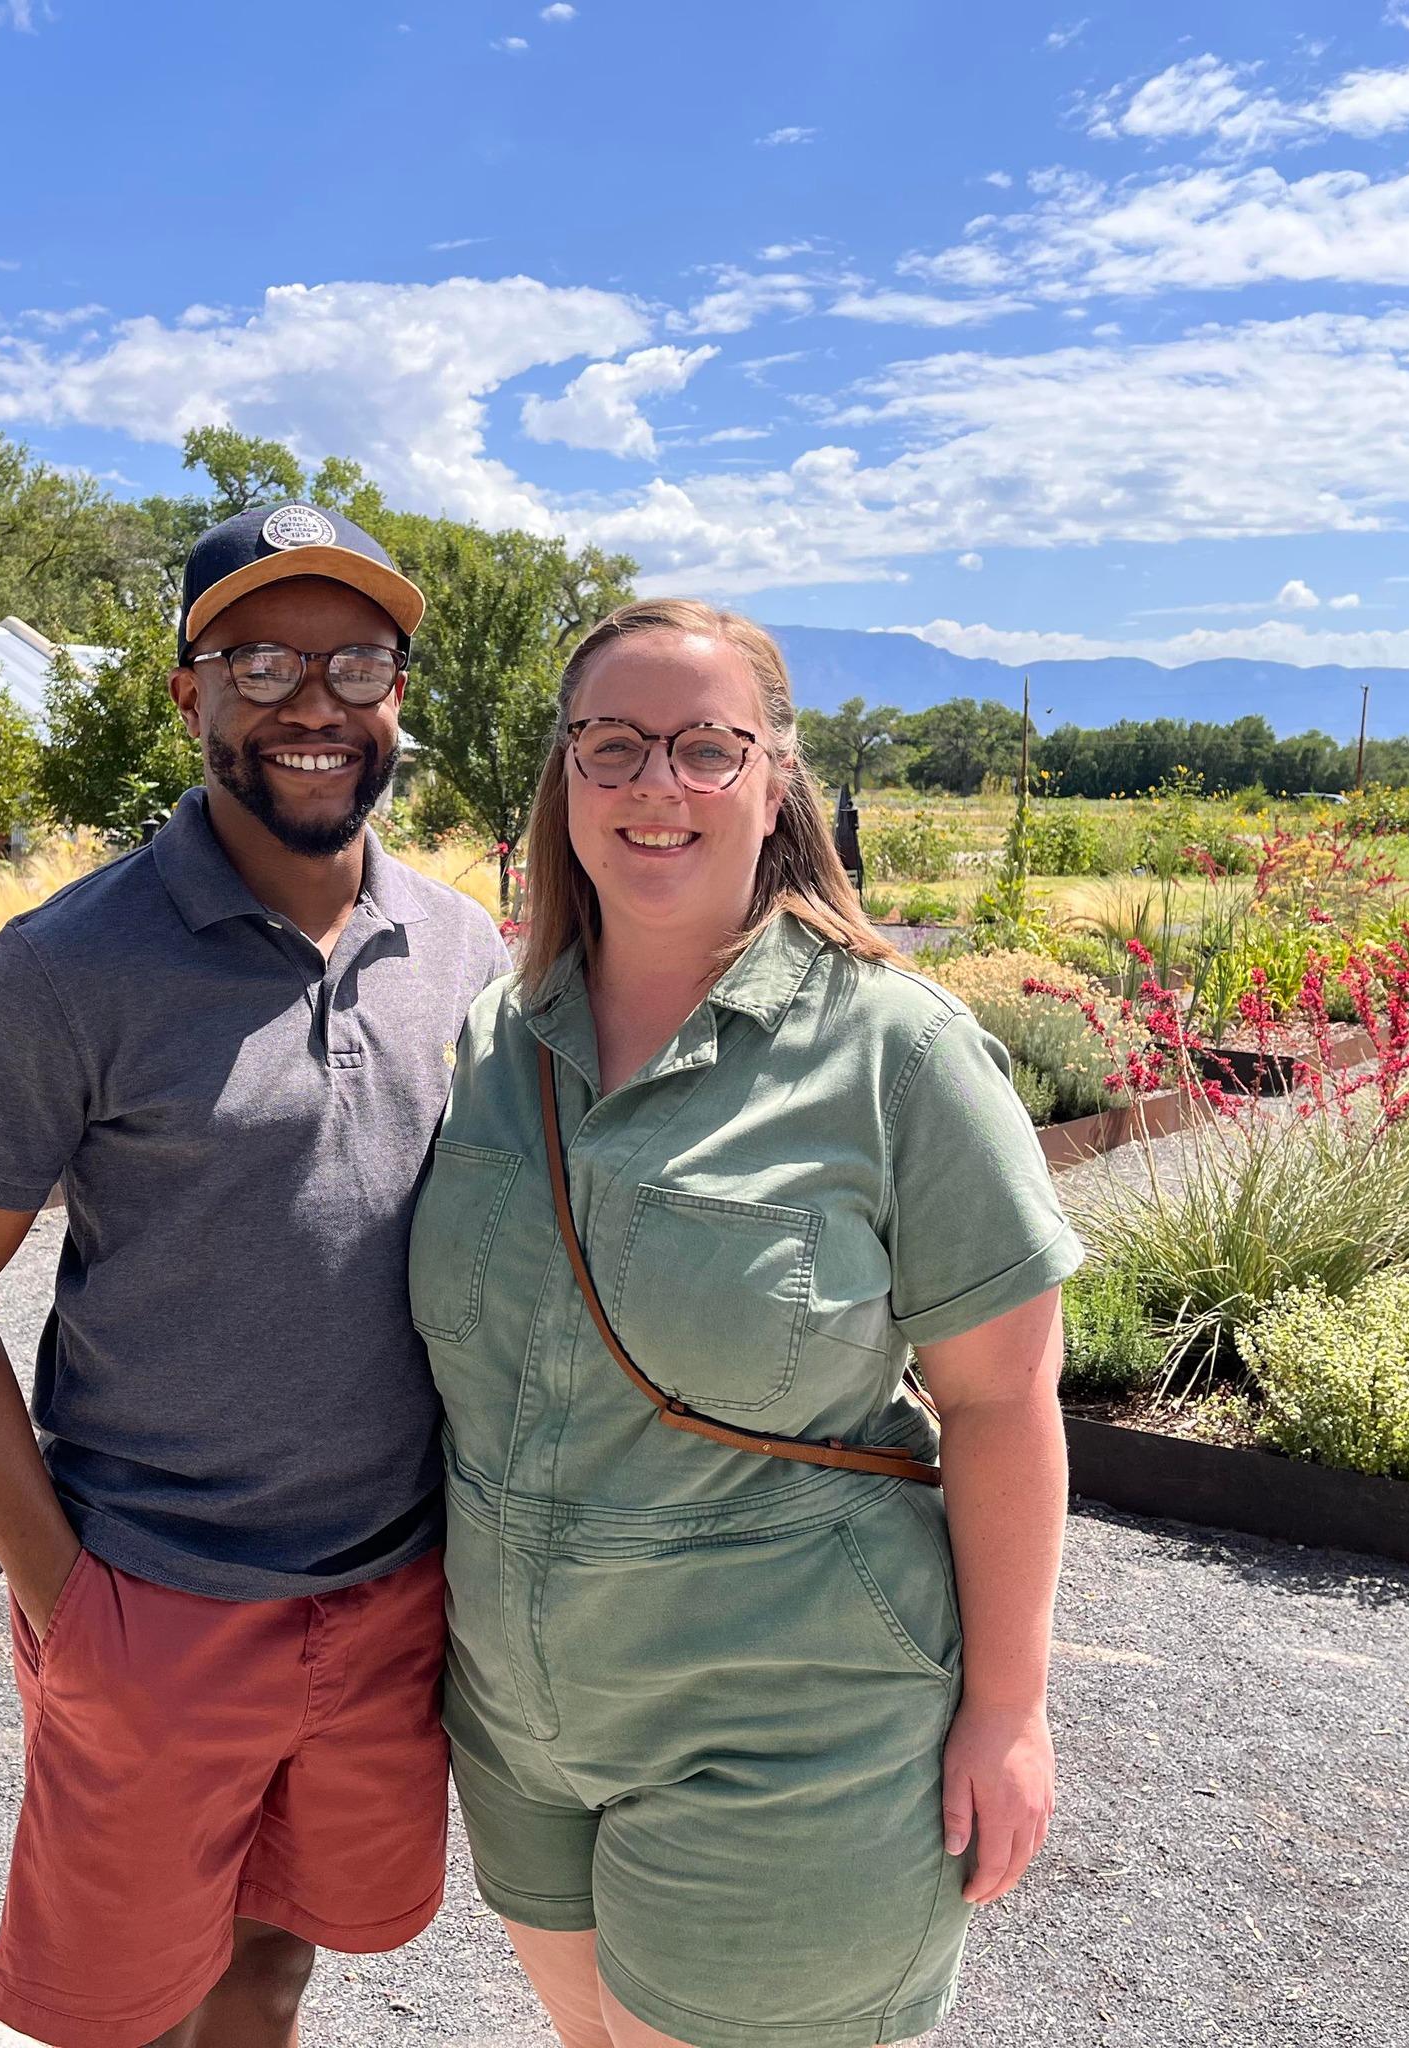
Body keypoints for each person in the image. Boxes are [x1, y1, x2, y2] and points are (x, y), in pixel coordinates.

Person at [0, 502, 509, 2048]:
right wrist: (59, 1590)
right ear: (188, 692)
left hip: (388, 1593)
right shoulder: (71, 964)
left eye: (357, 662)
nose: (315, 701)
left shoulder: (463, 946)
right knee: (109, 2015)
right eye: (262, 660)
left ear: (399, 698)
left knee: (277, 1959)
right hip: (150, 1595)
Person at [410, 598, 1081, 2048]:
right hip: (520, 1725)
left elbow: (1002, 1400)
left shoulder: (897, 1053)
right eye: (614, 744)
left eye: (707, 748)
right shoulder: (490, 1040)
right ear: (564, 778)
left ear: (775, 780)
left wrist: (1011, 1710)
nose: (658, 785)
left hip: (793, 1720)